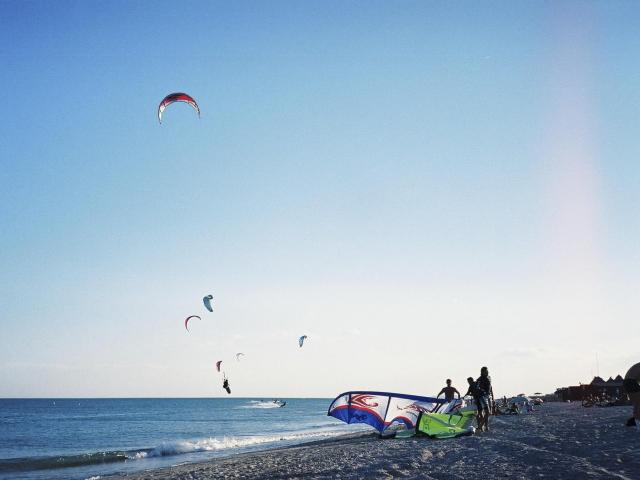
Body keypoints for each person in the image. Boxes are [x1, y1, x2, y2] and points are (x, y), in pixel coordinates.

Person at [476, 366, 494, 432]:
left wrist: (492, 397)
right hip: (482, 397)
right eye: (485, 371)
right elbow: (477, 388)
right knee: (486, 412)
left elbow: (490, 388)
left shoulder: (489, 378)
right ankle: (480, 426)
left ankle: (485, 426)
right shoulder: (479, 379)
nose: (487, 372)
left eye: (487, 371)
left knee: (488, 412)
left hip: (488, 396)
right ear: (482, 372)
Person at [623, 362, 640, 431]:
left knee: (637, 401)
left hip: (627, 382)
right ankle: (634, 419)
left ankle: (634, 419)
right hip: (631, 382)